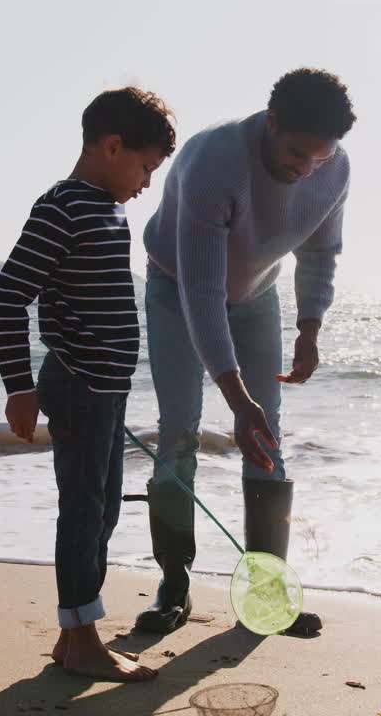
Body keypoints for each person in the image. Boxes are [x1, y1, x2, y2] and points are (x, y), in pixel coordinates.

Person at [135, 68, 356, 636]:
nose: (306, 166)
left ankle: (265, 590)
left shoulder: (334, 168)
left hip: (258, 293)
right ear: (272, 122)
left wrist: (310, 328)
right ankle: (174, 585)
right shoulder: (213, 163)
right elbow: (203, 294)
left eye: (320, 156)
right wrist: (236, 396)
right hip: (175, 287)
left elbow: (320, 253)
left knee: (266, 433)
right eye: (297, 152)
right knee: (180, 428)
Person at [0, 87, 175, 681]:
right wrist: (20, 387)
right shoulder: (64, 206)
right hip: (77, 383)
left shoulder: (107, 207)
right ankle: (84, 639)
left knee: (102, 510)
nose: (146, 182)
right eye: (145, 167)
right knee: (83, 509)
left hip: (105, 389)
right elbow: (8, 295)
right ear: (112, 145)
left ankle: (73, 639)